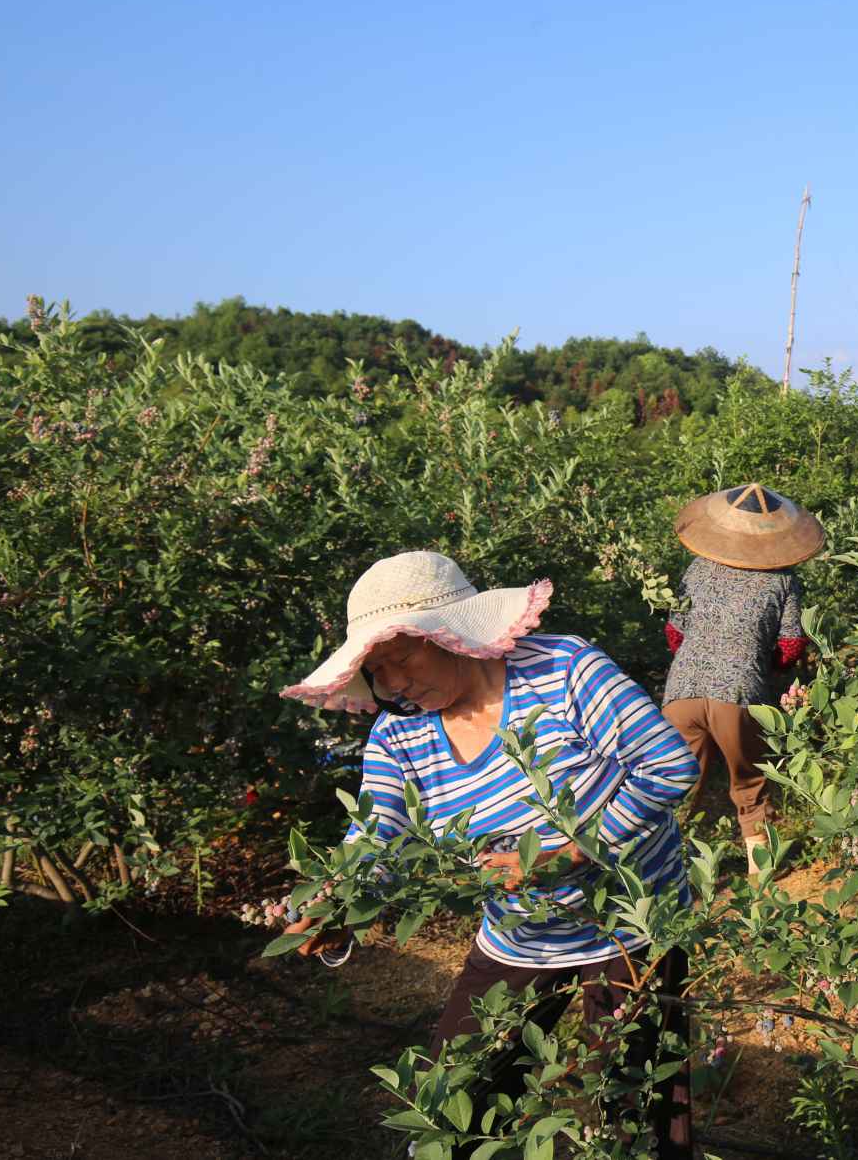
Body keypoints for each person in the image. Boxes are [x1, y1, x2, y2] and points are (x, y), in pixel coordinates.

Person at [277, 550, 698, 1158]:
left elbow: (668, 765)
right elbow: (378, 835)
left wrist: (569, 853)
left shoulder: (564, 671)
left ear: (451, 636)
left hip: (633, 927)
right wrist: (339, 901)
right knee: (448, 1102)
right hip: (520, 939)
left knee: (635, 1115)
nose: (393, 684)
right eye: (377, 669)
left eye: (402, 658)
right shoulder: (400, 735)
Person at [661, 483, 822, 875]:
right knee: (749, 783)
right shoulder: (782, 580)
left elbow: (674, 634)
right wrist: (765, 665)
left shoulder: (697, 568)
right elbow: (790, 645)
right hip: (738, 693)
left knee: (675, 786)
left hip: (680, 692)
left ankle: (666, 870)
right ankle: (760, 871)